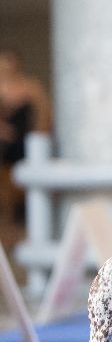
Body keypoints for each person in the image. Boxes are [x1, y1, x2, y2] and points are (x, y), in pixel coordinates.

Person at [0, 48, 51, 224]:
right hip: (4, 141)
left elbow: (44, 113)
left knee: (35, 168)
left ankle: (31, 216)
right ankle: (7, 218)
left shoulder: (30, 86)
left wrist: (38, 134)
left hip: (26, 140)